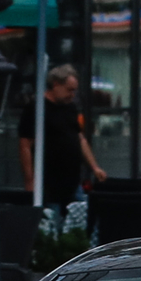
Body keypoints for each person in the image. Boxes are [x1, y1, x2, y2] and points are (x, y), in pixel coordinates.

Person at [18, 64, 108, 212]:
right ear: (56, 84)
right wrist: (29, 179)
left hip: (72, 181)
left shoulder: (69, 107)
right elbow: (25, 145)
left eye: (74, 91)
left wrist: (94, 167)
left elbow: (80, 139)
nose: (72, 95)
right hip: (49, 182)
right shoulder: (36, 108)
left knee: (80, 217)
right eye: (69, 90)